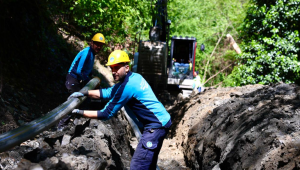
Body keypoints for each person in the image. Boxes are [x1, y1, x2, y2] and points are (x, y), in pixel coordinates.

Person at [67, 50, 172, 169]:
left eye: (117, 68)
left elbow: (106, 113)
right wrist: (84, 93)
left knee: (137, 166)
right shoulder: (134, 77)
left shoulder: (128, 86)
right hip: (161, 122)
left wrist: (78, 112)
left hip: (156, 126)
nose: (113, 71)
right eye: (111, 68)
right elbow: (108, 92)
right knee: (149, 165)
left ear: (126, 68)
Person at [57, 33, 105, 131]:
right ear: (92, 43)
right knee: (75, 102)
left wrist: (91, 77)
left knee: (88, 99)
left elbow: (86, 70)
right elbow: (79, 70)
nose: (99, 47)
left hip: (78, 79)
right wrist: (88, 80)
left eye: (101, 45)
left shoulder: (92, 54)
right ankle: (61, 126)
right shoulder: (87, 52)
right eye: (97, 44)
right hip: (73, 79)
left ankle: (81, 121)